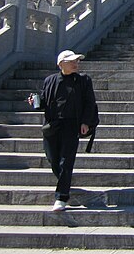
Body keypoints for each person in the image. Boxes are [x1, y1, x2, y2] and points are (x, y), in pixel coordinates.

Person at [29, 50, 97, 211]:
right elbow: (45, 101)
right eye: (72, 61)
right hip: (52, 125)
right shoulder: (50, 80)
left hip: (72, 125)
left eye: (77, 61)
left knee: (66, 161)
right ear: (61, 64)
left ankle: (62, 197)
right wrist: (35, 102)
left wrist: (86, 122)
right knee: (53, 159)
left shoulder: (84, 80)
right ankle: (64, 182)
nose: (76, 63)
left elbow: (89, 103)